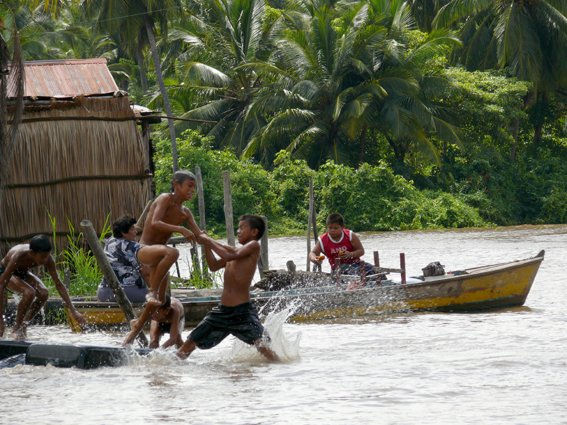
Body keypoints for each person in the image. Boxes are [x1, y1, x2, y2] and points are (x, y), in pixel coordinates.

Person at [176, 215, 278, 362]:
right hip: (222, 312)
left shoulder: (253, 246)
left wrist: (208, 240)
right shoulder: (234, 253)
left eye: (242, 227)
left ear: (254, 232)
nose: (238, 231)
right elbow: (213, 266)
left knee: (263, 347)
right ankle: (169, 369)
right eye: (238, 228)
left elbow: (231, 253)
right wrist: (206, 245)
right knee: (190, 342)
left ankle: (282, 369)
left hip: (242, 312)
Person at [123, 170, 203, 346]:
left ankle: (133, 334)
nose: (192, 191)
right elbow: (154, 222)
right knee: (172, 253)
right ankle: (151, 290)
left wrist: (227, 252)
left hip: (160, 262)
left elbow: (199, 235)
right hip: (145, 251)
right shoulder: (165, 198)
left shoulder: (185, 213)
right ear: (176, 184)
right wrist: (180, 229)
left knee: (159, 302)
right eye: (189, 186)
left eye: (194, 188)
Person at [0, 235, 86, 339]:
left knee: (44, 293)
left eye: (47, 256)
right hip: (4, 272)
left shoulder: (48, 259)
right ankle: (16, 328)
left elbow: (58, 284)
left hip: (23, 272)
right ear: (32, 253)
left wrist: (73, 311)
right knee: (29, 292)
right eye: (42, 257)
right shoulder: (19, 256)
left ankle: (24, 325)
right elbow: (1, 285)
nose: (45, 260)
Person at [97, 215, 149, 304]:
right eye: (132, 229)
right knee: (154, 295)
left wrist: (131, 228)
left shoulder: (109, 241)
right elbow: (145, 272)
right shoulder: (134, 247)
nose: (135, 231)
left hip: (104, 293)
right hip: (128, 293)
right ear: (123, 232)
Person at [309, 213, 374, 277]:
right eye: (330, 228)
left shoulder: (350, 235)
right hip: (338, 269)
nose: (332, 230)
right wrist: (315, 258)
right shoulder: (323, 240)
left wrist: (350, 254)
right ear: (327, 227)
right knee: (352, 272)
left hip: (356, 264)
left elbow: (361, 251)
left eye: (335, 228)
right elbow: (312, 253)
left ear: (342, 227)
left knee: (371, 269)